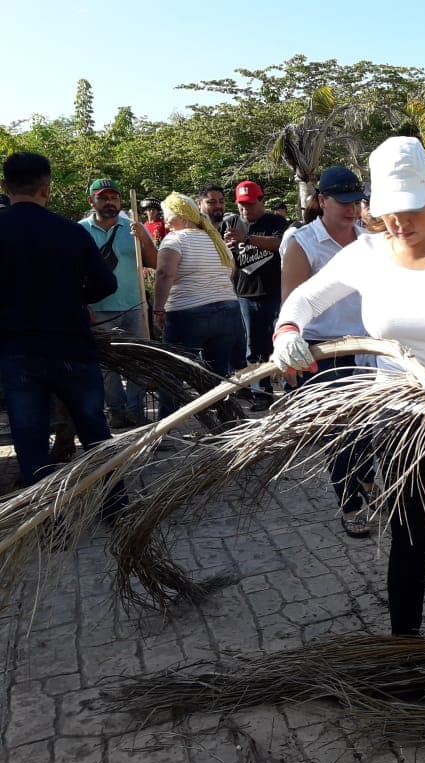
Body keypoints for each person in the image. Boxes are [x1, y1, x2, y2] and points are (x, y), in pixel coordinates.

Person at [272, 136, 425, 637]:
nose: (400, 223)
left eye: (411, 209)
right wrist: (287, 330)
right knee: (410, 532)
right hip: (399, 414)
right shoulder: (367, 253)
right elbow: (303, 300)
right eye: (389, 212)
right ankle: (405, 645)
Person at [0, 151, 126, 520]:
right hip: (72, 344)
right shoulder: (71, 232)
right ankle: (116, 508)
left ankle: (47, 522)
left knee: (30, 438)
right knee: (95, 430)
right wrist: (73, 298)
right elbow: (106, 282)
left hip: (17, 349)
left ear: (5, 187)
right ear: (47, 189)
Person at [279, 166, 377, 537]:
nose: (352, 210)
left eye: (357, 203)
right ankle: (350, 504)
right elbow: (291, 302)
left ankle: (368, 482)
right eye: (344, 203)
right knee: (338, 432)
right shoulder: (302, 243)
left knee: (367, 427)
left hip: (368, 349)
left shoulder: (368, 240)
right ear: (322, 201)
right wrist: (290, 349)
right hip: (323, 353)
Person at [152, 193, 245, 414]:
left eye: (167, 215)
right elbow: (230, 273)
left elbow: (164, 274)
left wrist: (158, 308)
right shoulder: (216, 240)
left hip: (189, 314)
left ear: (181, 216)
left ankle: (164, 425)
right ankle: (222, 421)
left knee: (173, 370)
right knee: (217, 373)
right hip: (228, 312)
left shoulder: (175, 239)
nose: (164, 220)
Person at [79, 177, 158, 429]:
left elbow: (155, 262)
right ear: (92, 201)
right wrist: (83, 305)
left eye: (114, 197)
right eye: (103, 197)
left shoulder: (133, 227)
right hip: (98, 309)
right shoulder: (80, 230)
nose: (109, 202)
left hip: (134, 306)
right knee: (108, 366)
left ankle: (135, 409)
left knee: (138, 361)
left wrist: (144, 239)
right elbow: (73, 271)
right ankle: (116, 410)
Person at [223, 180, 288, 408]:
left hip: (274, 291)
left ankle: (290, 391)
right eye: (241, 204)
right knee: (253, 347)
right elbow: (223, 253)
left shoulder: (275, 221)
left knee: (281, 342)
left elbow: (281, 244)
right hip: (244, 293)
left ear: (262, 201)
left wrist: (247, 239)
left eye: (250, 204)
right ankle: (261, 393)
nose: (245, 209)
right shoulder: (230, 222)